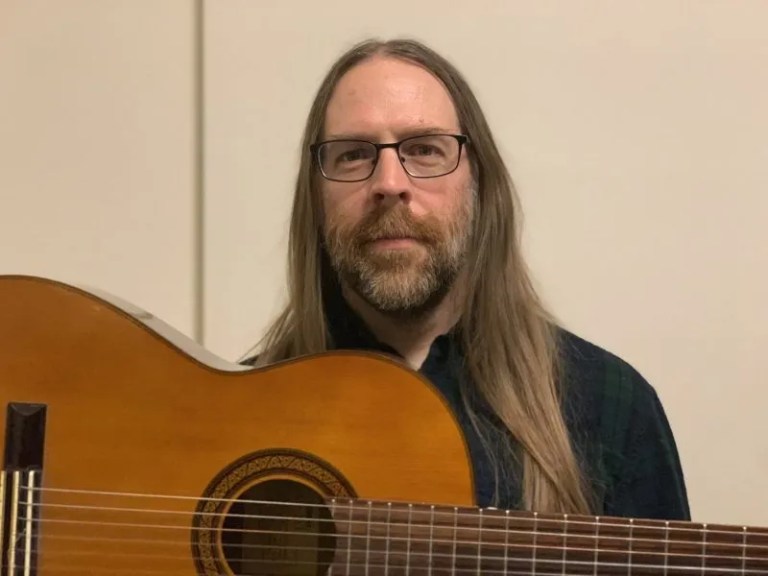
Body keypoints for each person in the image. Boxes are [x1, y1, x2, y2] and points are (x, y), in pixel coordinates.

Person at [244, 38, 690, 520]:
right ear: (316, 194)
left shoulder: (610, 408)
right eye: (353, 154)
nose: (389, 183)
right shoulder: (236, 417)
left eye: (424, 149)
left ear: (480, 186)